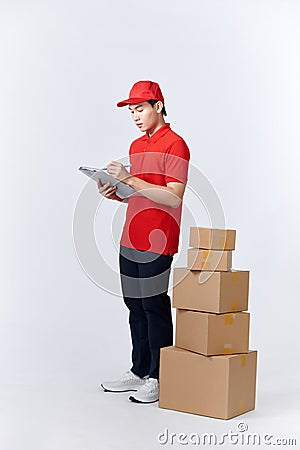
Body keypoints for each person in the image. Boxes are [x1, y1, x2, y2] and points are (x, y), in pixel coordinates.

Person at [98, 80, 190, 403]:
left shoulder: (176, 144)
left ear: (158, 107)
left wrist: (129, 179)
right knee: (134, 306)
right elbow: (142, 193)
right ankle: (139, 370)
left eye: (140, 109)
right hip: (130, 236)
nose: (135, 116)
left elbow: (173, 197)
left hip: (158, 239)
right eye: (132, 111)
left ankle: (157, 376)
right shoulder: (137, 146)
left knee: (154, 306)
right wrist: (116, 192)